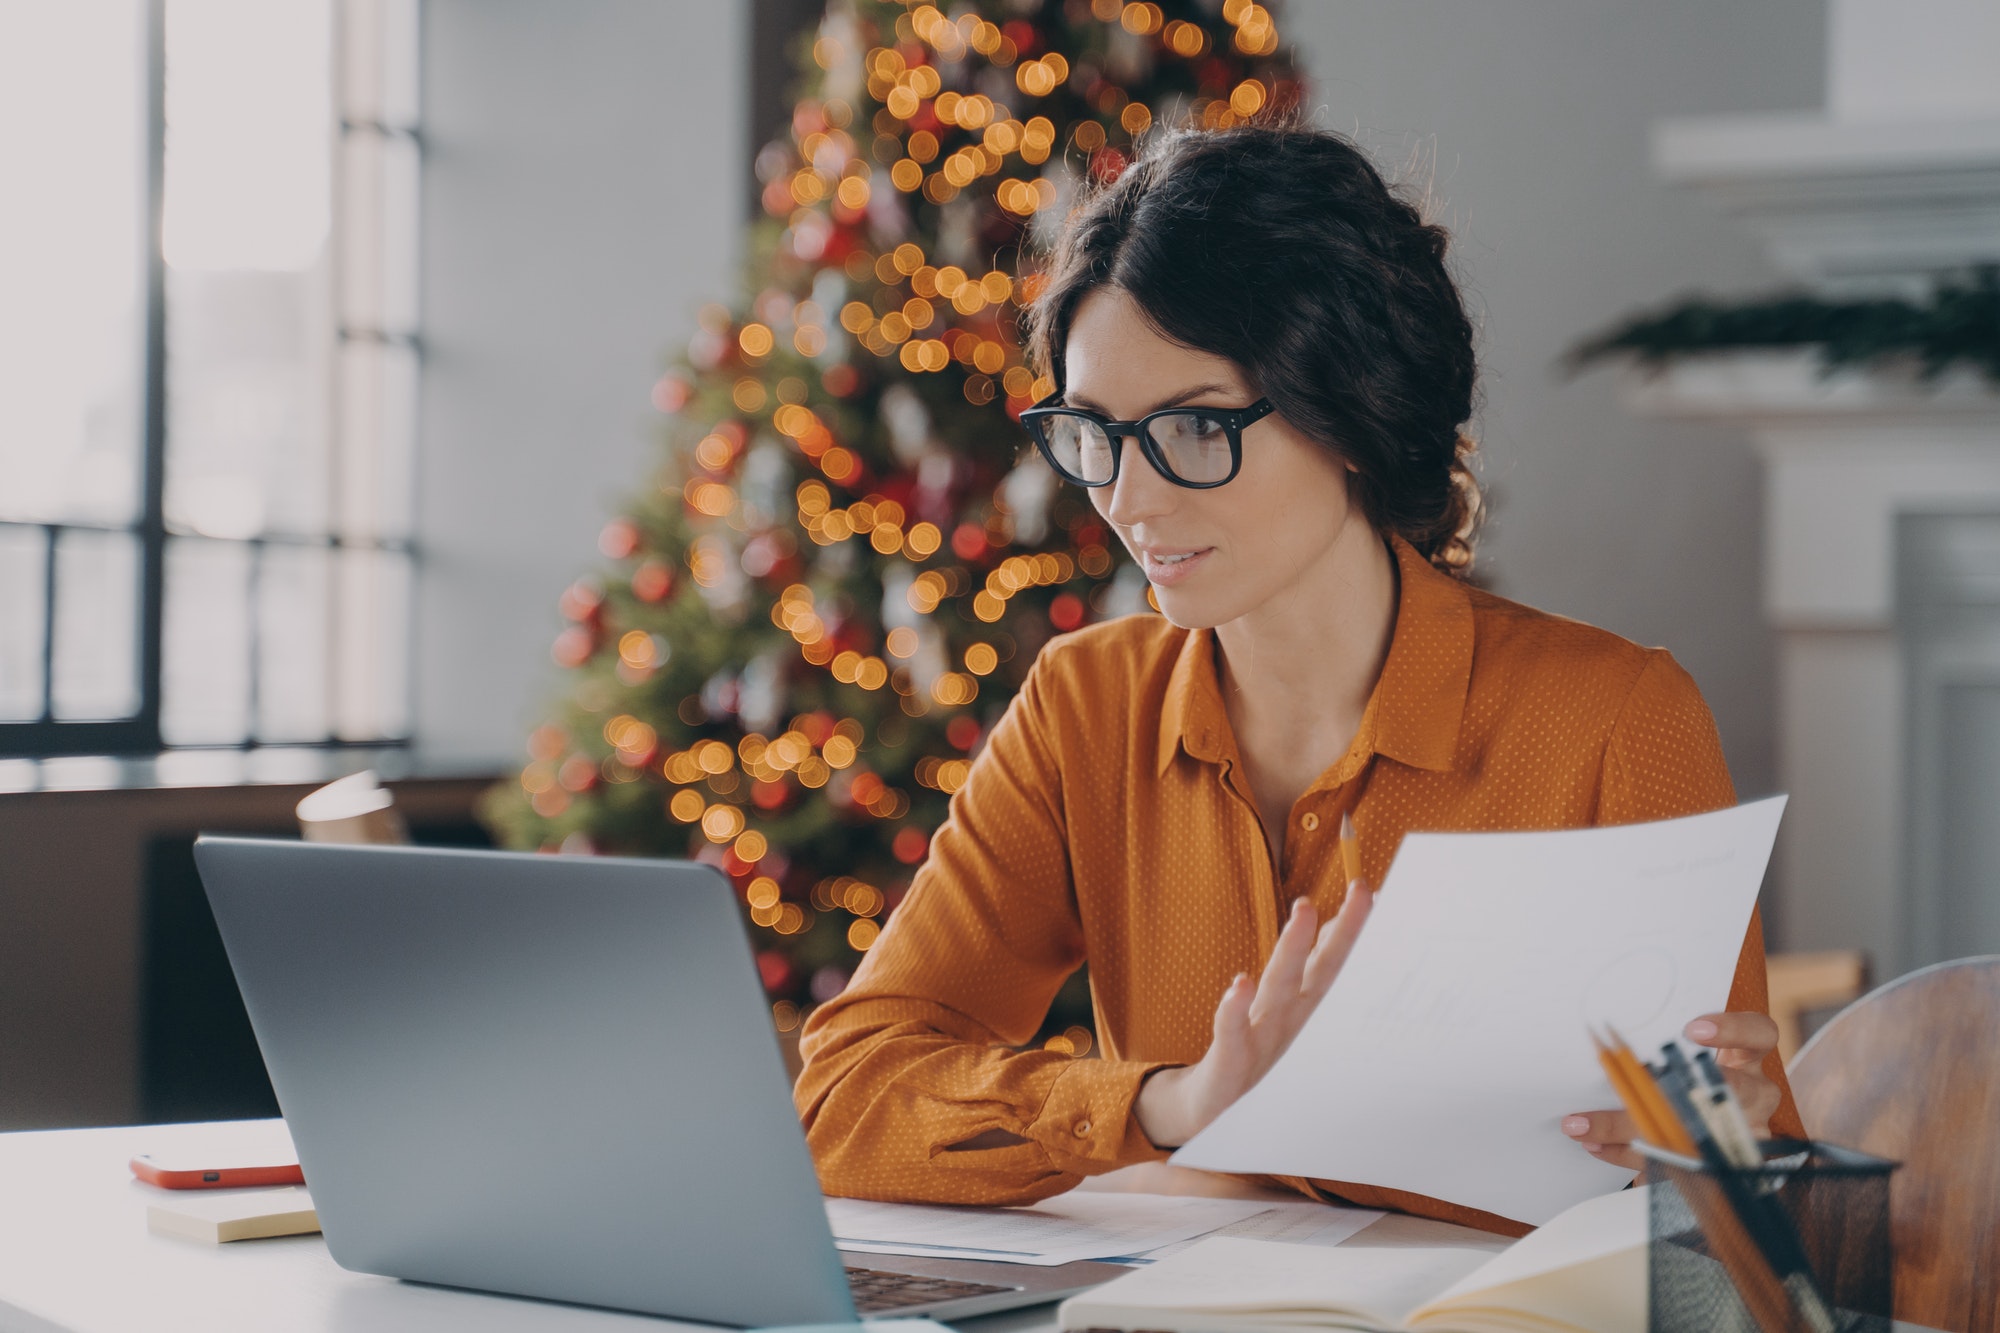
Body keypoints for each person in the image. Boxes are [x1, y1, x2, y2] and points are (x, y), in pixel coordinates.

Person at [794, 119, 1801, 1236]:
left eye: (1190, 427)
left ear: (1352, 413)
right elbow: (844, 1097)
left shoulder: (1610, 720)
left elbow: (1745, 1219)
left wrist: (1723, 1155)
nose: (1128, 497)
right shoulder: (1085, 705)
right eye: (1093, 432)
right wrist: (1167, 1105)